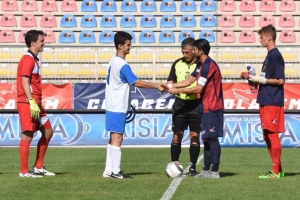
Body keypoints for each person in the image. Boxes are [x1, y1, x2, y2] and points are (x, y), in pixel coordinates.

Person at [103, 31, 164, 179]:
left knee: (112, 137)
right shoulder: (122, 65)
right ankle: (116, 172)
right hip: (118, 105)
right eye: (128, 45)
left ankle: (108, 170)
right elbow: (136, 82)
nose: (130, 47)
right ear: (120, 46)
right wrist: (156, 85)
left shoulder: (113, 61)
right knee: (118, 138)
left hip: (112, 103)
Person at [164, 39, 224, 178]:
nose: (192, 51)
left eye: (194, 49)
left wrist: (178, 91)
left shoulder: (208, 65)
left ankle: (214, 170)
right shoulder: (201, 65)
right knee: (207, 138)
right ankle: (205, 170)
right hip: (205, 106)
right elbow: (189, 81)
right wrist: (169, 86)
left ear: (200, 50)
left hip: (212, 106)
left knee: (212, 138)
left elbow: (199, 88)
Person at [241, 25, 285, 179]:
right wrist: (252, 77)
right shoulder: (269, 56)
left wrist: (262, 79)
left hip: (272, 100)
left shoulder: (275, 56)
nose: (260, 40)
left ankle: (276, 171)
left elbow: (280, 80)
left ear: (269, 37)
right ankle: (277, 169)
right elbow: (267, 79)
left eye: (261, 37)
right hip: (266, 99)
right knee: (267, 134)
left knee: (272, 134)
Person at [17, 30, 55, 178]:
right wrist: (31, 101)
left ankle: (38, 167)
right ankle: (24, 172)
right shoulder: (28, 59)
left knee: (48, 132)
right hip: (28, 103)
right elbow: (24, 81)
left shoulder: (34, 60)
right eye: (41, 40)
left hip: (36, 103)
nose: (43, 42)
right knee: (27, 136)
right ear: (33, 43)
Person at [165, 37, 201, 177]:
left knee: (194, 136)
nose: (184, 55)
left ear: (193, 50)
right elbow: (171, 80)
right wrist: (167, 85)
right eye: (183, 52)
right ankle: (174, 164)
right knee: (177, 135)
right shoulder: (177, 63)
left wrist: (177, 88)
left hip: (195, 104)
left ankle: (192, 167)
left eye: (187, 52)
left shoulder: (200, 65)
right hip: (180, 103)